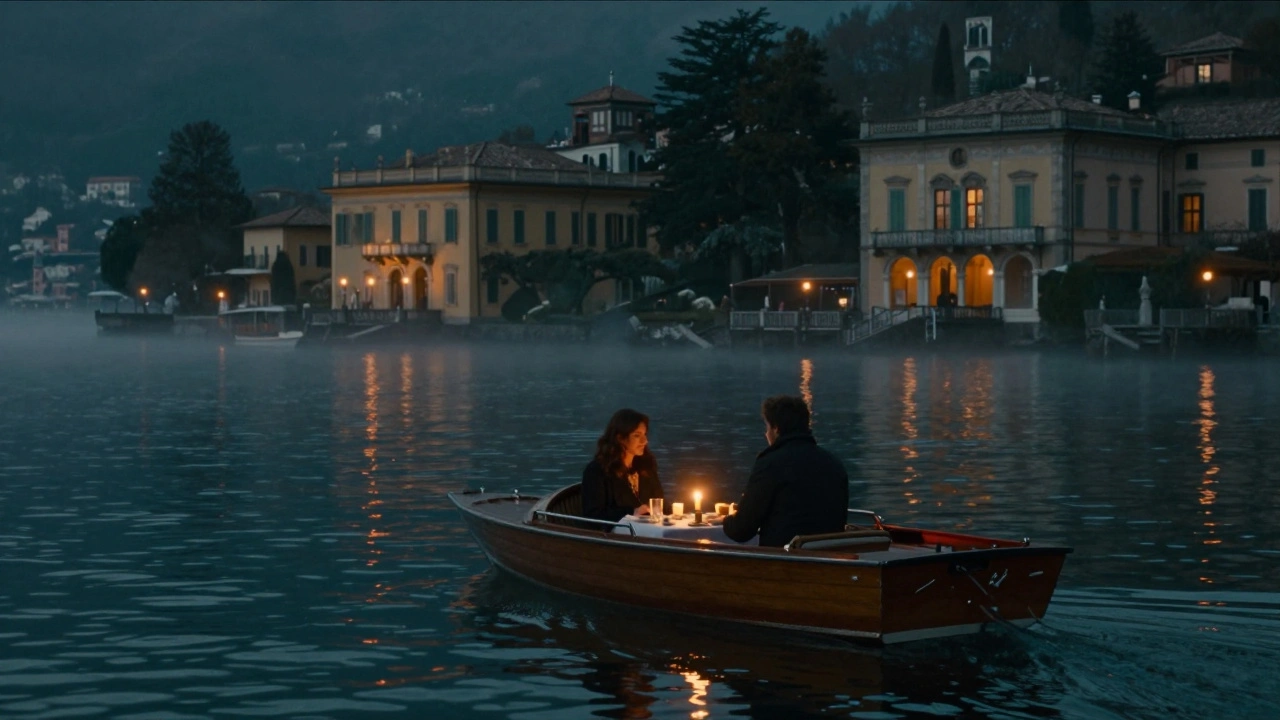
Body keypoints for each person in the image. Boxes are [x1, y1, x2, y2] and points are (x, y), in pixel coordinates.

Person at [723, 395, 849, 547]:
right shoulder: (834, 463)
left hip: (784, 558)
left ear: (776, 429)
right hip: (830, 558)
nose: (766, 434)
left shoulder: (771, 463)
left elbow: (741, 530)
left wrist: (726, 519)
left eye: (767, 427)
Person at [581, 408, 664, 522]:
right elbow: (592, 515)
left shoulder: (646, 468)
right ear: (620, 438)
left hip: (650, 529)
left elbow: (660, 504)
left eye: (645, 434)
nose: (644, 441)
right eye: (637, 435)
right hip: (617, 532)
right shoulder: (597, 471)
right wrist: (631, 513)